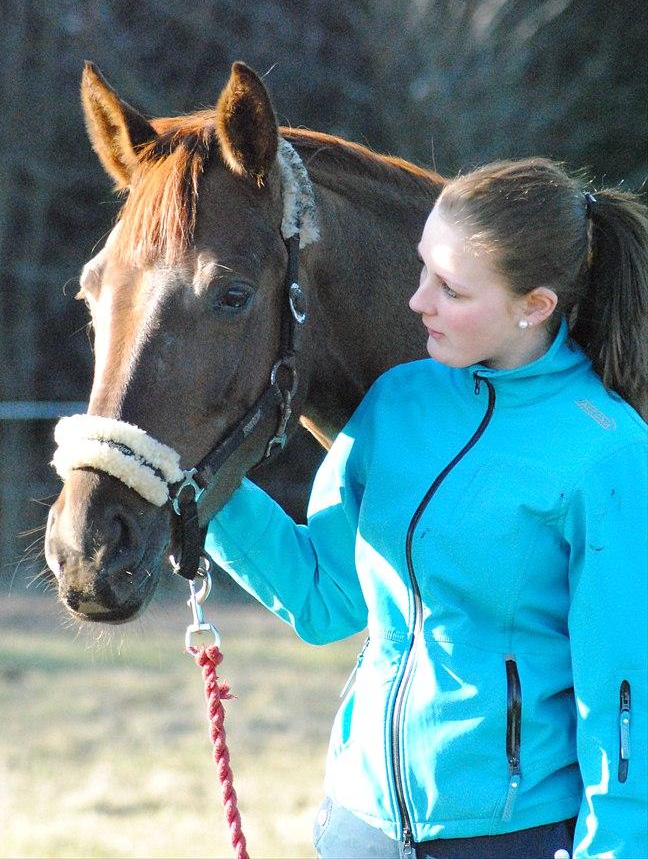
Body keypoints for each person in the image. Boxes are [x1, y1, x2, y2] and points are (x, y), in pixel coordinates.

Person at [205, 158, 647, 859]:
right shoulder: (397, 401)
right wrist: (195, 488)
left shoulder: (606, 451)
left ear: (534, 304)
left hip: (510, 837)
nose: (418, 302)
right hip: (359, 825)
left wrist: (617, 848)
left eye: (451, 288)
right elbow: (323, 598)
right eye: (422, 271)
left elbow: (623, 687)